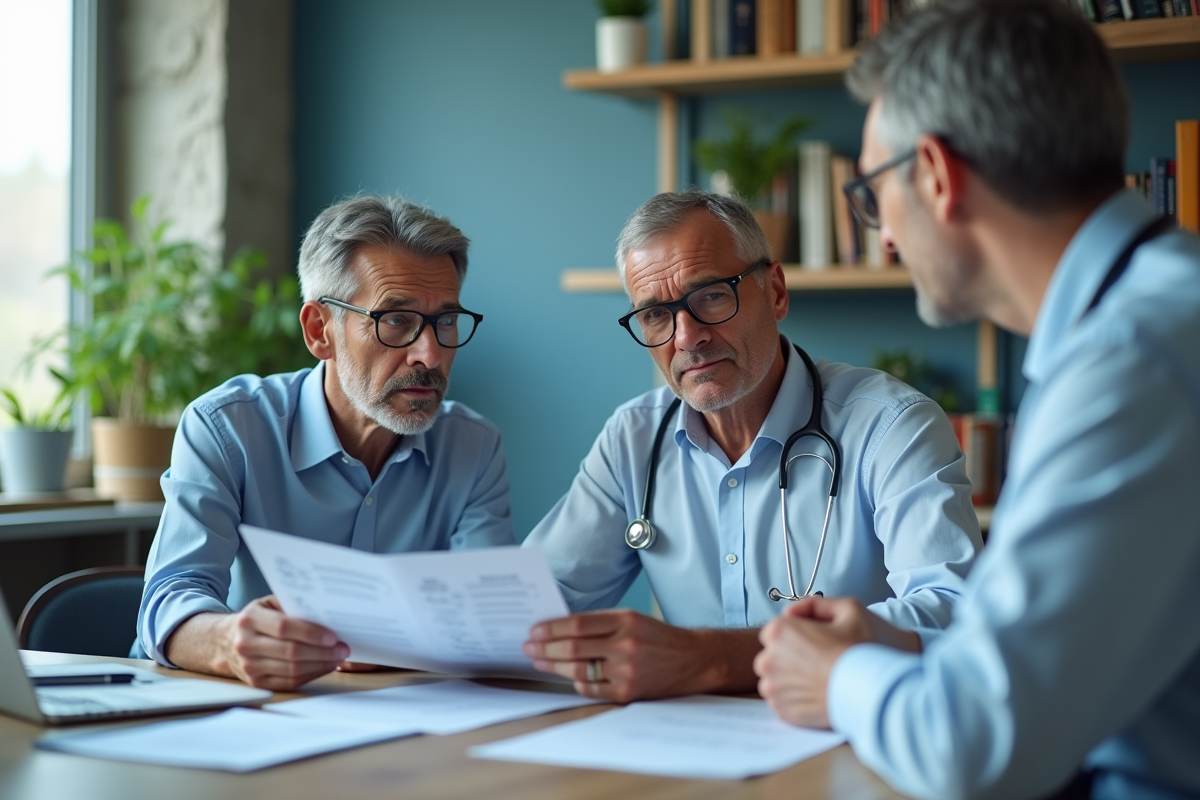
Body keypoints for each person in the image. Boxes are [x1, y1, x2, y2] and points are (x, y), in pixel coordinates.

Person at [753, 2, 1200, 799]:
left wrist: (840, 677)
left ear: (935, 175)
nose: (883, 234)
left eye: (870, 192)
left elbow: (977, 750)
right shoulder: (1158, 311)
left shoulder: (1130, 365)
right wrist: (904, 647)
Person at [522, 190, 982, 703]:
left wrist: (713, 659)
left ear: (777, 291)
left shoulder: (892, 427)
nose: (686, 337)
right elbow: (529, 611)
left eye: (712, 296)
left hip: (850, 736)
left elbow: (949, 610)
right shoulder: (633, 440)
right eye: (655, 316)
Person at [137, 194, 514, 689]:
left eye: (445, 322)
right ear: (320, 331)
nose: (430, 353)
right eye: (396, 320)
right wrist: (229, 641)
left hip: (403, 728)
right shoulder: (229, 429)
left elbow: (488, 615)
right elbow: (170, 598)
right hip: (247, 714)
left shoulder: (474, 446)